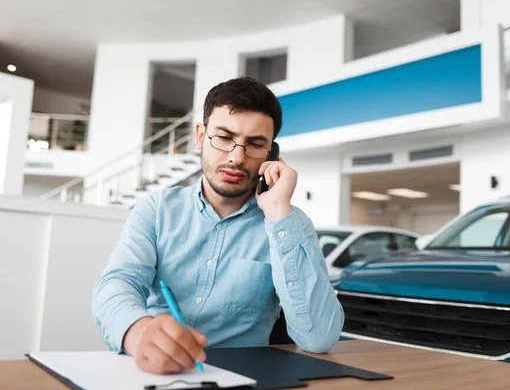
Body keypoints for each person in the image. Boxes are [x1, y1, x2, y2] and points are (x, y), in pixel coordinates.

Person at [92, 77, 344, 375]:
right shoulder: (158, 209)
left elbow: (319, 338)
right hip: (156, 373)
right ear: (200, 136)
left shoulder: (288, 223)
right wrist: (139, 333)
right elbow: (117, 283)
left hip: (244, 378)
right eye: (224, 138)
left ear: (271, 154)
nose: (237, 158)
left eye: (255, 144)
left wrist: (277, 213)